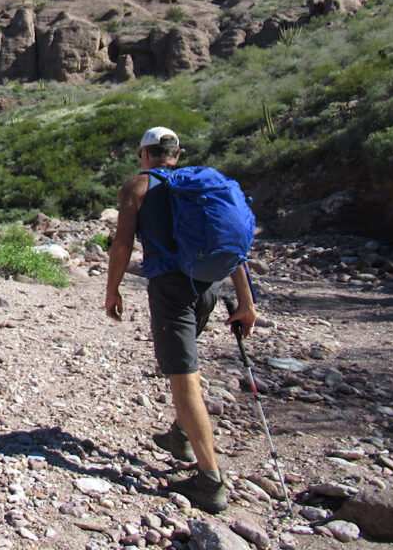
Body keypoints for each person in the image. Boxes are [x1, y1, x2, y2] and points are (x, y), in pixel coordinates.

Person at [103, 126, 257, 514]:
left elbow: (122, 244)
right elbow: (229, 246)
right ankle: (181, 436)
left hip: (170, 288)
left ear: (144, 155)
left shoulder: (137, 187)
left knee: (183, 376)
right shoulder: (200, 186)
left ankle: (209, 480)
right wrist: (245, 302)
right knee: (185, 365)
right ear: (176, 153)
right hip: (208, 285)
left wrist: (113, 289)